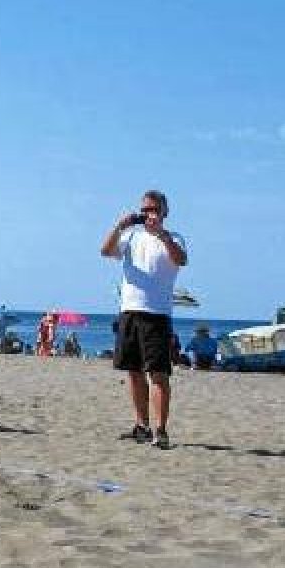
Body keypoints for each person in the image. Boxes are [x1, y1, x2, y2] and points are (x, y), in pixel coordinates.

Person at [100, 189, 187, 450]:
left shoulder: (174, 238)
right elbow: (105, 251)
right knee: (133, 372)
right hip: (130, 310)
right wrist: (119, 225)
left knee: (158, 374)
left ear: (164, 212)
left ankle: (161, 430)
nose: (148, 214)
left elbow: (180, 259)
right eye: (145, 209)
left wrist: (161, 233)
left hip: (157, 314)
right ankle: (142, 425)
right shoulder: (131, 236)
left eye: (153, 210)